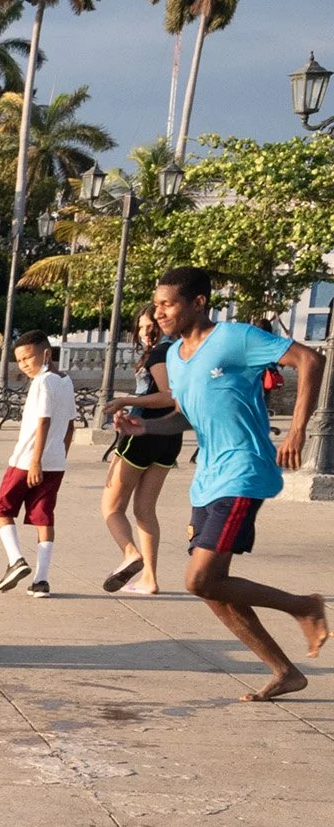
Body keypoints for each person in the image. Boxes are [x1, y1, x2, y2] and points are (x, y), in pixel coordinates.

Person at [138, 266, 327, 701]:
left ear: (198, 302)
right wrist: (142, 430)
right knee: (213, 587)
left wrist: (298, 430)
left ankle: (305, 606)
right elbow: (186, 414)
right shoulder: (174, 357)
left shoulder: (235, 337)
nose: (159, 312)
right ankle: (284, 671)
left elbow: (309, 359)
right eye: (157, 303)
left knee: (198, 580)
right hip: (207, 479)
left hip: (243, 470)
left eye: (168, 304)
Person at [99, 306, 184, 594]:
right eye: (142, 327)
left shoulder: (161, 353)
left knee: (111, 507)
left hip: (144, 432)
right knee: (145, 509)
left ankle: (130, 554)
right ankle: (149, 579)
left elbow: (166, 396)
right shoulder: (181, 352)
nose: (146, 333)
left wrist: (124, 401)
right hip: (171, 436)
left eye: (152, 327)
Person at [0, 331, 77, 598]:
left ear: (46, 354)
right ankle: (41, 580)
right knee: (43, 516)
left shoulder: (42, 383)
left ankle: (16, 559)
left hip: (28, 460)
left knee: (2, 509)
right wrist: (61, 453)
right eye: (20, 360)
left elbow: (43, 421)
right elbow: (71, 424)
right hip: (55, 462)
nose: (24, 364)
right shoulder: (66, 381)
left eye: (28, 357)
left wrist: (36, 461)